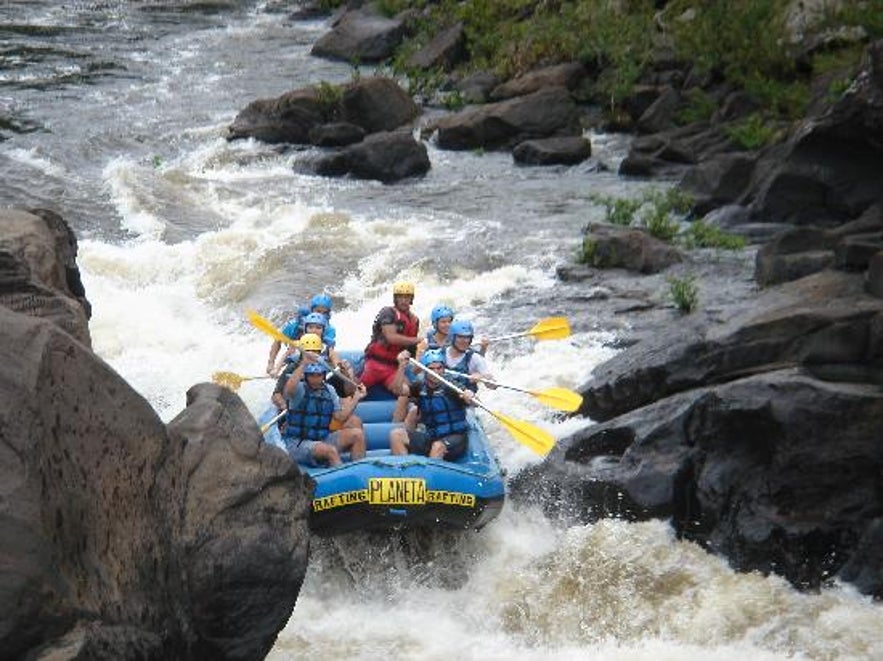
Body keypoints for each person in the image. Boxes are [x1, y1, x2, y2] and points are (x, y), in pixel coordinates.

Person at [281, 355, 367, 467]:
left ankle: (360, 472)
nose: (316, 379)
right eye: (312, 375)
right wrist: (303, 364)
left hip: (322, 439)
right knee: (330, 451)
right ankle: (344, 480)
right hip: (297, 443)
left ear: (324, 375)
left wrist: (356, 398)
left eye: (319, 375)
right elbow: (288, 390)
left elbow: (340, 417)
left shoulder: (329, 390)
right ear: (306, 376)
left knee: (357, 434)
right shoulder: (299, 389)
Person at [388, 349, 473, 461]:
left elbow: (472, 400)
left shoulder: (452, 386)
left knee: (437, 447)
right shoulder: (420, 387)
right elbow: (398, 390)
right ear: (425, 370)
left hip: (455, 437)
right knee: (396, 435)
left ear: (443, 369)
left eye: (439, 368)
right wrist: (401, 366)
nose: (436, 372)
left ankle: (431, 476)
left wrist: (469, 395)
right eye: (431, 369)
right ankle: (407, 472)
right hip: (432, 437)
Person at [360, 281, 420, 395]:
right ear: (395, 298)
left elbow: (411, 349)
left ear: (411, 299)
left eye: (407, 297)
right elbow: (390, 337)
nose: (403, 300)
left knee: (407, 390)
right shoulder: (387, 312)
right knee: (354, 390)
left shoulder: (414, 320)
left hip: (393, 367)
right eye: (400, 297)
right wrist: (418, 340)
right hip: (373, 363)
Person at [265, 293, 337, 376]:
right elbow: (278, 341)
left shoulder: (329, 329)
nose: (320, 315)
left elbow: (329, 351)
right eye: (318, 311)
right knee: (292, 354)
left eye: (324, 312)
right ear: (311, 310)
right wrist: (271, 364)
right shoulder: (294, 325)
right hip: (296, 354)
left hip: (317, 357)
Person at [444, 319, 494, 392]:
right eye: (460, 337)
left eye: (468, 337)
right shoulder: (440, 354)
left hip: (464, 400)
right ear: (452, 337)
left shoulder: (475, 358)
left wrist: (482, 377)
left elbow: (493, 386)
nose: (465, 341)